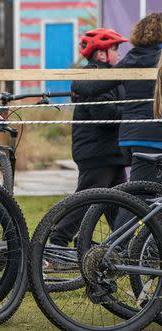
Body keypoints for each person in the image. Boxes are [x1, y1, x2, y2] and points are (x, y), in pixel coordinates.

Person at [49, 28, 129, 248]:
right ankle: (56, 243)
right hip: (97, 152)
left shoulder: (108, 76)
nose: (119, 54)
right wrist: (132, 111)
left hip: (110, 153)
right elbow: (103, 114)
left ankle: (122, 246)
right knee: (87, 200)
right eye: (115, 49)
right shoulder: (95, 76)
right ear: (101, 54)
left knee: (120, 204)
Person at [73, 13, 162, 183]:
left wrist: (77, 86)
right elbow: (102, 109)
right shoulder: (157, 58)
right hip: (150, 137)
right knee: (140, 197)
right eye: (114, 49)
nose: (119, 53)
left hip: (128, 139)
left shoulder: (132, 57)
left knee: (129, 198)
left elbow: (90, 85)